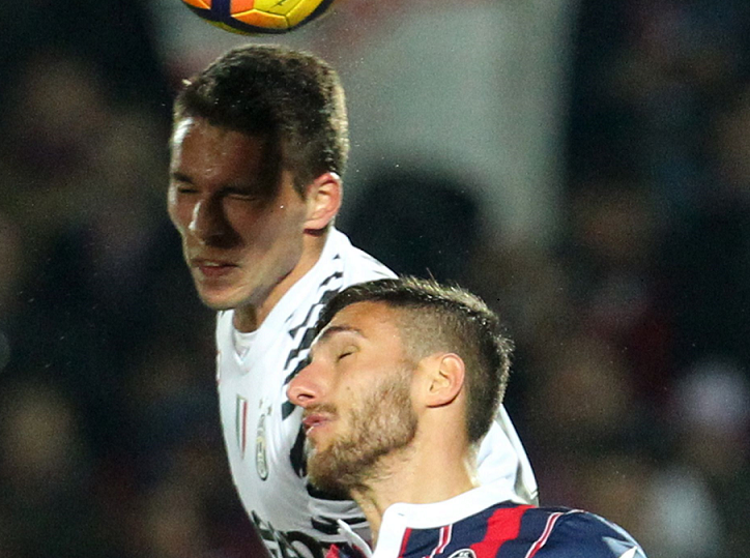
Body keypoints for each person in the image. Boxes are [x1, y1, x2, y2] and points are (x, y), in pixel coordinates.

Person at [167, 44, 537, 558]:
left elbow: (489, 532)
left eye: (242, 196)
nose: (202, 226)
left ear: (320, 201)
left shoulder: (356, 365)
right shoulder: (253, 284)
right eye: (187, 189)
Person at [287, 277, 648, 558]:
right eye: (308, 365)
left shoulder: (561, 548)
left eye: (344, 354)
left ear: (439, 381)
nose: (298, 388)